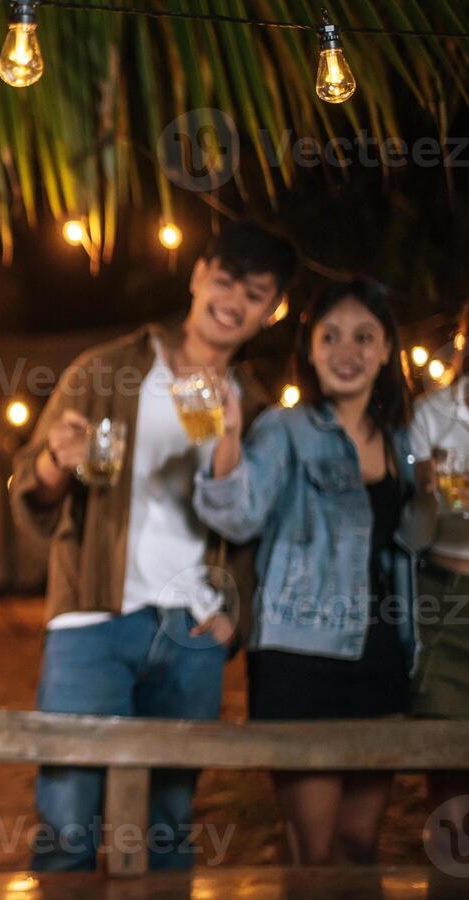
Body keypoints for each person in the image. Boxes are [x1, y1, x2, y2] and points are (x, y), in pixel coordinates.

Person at [11, 222, 297, 872]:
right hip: (91, 620)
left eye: (255, 293)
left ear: (271, 309)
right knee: (67, 826)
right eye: (225, 279)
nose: (233, 300)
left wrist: (234, 622)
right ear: (199, 275)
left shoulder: (253, 409)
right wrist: (57, 459)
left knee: (169, 829)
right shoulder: (106, 370)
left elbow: (256, 534)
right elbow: (30, 492)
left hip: (193, 631)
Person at [194, 277, 418, 865]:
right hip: (300, 657)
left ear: (387, 348)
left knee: (360, 845)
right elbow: (238, 516)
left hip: (384, 659)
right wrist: (228, 439)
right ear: (310, 349)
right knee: (312, 853)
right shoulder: (284, 431)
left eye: (364, 337)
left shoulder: (404, 444)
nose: (347, 352)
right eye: (331, 336)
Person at [408, 298, 469, 871]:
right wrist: (423, 492)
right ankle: (451, 878)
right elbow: (413, 530)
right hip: (447, 595)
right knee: (448, 759)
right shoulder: (432, 412)